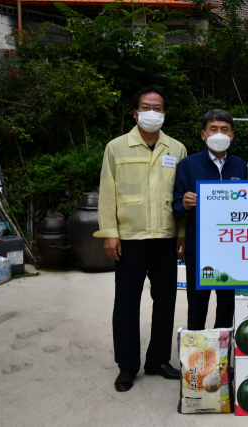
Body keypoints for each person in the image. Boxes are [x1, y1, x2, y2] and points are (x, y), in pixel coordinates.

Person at [95, 87, 187, 392]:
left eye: (158, 108)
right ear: (135, 112)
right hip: (130, 237)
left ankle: (158, 360)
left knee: (165, 301)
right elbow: (107, 194)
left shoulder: (177, 149)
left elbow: (181, 196)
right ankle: (127, 365)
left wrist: (182, 233)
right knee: (126, 302)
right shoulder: (116, 148)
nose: (152, 113)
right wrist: (110, 233)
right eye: (146, 107)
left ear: (164, 113)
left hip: (165, 236)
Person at [173, 109, 248, 330]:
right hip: (199, 247)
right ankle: (196, 353)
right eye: (213, 129)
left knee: (227, 306)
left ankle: (222, 357)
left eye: (224, 130)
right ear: (203, 135)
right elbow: (176, 206)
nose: (219, 134)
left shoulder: (241, 166)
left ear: (232, 135)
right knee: (197, 304)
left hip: (232, 247)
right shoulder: (188, 165)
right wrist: (184, 204)